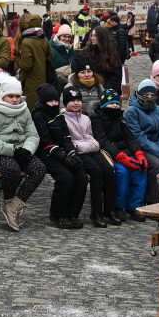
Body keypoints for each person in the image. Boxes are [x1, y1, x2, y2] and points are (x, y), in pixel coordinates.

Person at [0, 77, 46, 232]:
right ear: (3, 96)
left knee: (39, 168)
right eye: (11, 96)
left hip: (21, 151)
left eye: (17, 96)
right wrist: (12, 150)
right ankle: (9, 200)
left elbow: (33, 135)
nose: (15, 100)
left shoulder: (24, 109)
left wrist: (27, 150)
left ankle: (13, 206)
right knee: (11, 168)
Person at [31, 84, 88, 229]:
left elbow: (66, 138)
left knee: (81, 176)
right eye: (51, 101)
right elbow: (44, 141)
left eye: (56, 101)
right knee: (65, 178)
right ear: (44, 101)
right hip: (46, 154)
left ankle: (73, 213)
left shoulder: (59, 116)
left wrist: (72, 154)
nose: (54, 104)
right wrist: (62, 156)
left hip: (62, 152)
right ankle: (57, 213)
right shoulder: (38, 116)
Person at [63, 84, 117, 228]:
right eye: (72, 101)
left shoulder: (86, 118)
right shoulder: (64, 119)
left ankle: (110, 210)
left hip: (91, 149)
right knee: (96, 172)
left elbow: (90, 136)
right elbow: (72, 141)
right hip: (79, 152)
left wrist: (92, 145)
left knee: (108, 169)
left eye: (78, 100)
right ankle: (96, 212)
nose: (76, 103)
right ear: (66, 103)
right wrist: (90, 145)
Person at [92, 88, 147, 223]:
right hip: (111, 155)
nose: (115, 106)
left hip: (125, 153)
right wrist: (120, 157)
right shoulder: (97, 120)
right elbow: (103, 141)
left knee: (141, 168)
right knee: (122, 173)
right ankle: (119, 206)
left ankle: (135, 206)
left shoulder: (120, 119)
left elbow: (130, 139)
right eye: (112, 103)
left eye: (117, 103)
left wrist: (138, 153)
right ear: (105, 104)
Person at [16, 13, 53, 108]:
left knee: (32, 108)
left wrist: (17, 57)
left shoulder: (26, 42)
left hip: (30, 83)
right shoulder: (44, 39)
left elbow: (26, 65)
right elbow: (51, 56)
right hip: (44, 79)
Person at [84, 26, 121, 92]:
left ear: (102, 37)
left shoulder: (112, 53)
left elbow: (116, 76)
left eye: (95, 36)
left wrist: (104, 89)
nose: (92, 38)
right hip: (89, 88)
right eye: (91, 35)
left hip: (107, 89)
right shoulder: (87, 51)